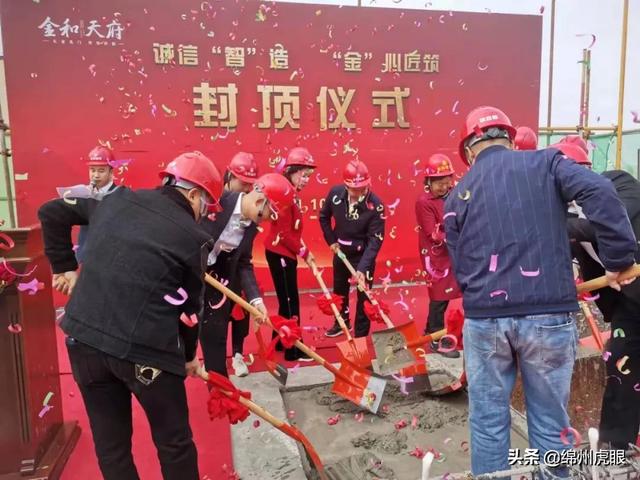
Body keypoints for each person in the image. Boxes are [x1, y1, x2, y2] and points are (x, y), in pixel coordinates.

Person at [444, 106, 637, 476]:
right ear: (511, 140)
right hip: (547, 317)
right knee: (550, 421)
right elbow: (599, 190)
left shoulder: (458, 196)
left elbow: (460, 268)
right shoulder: (548, 163)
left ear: (469, 149)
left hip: (485, 322)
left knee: (487, 422)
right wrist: (618, 259)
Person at [37, 151, 223, 480]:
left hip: (84, 340)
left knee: (112, 448)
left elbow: (50, 212)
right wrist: (189, 356)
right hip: (144, 352)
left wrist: (63, 266)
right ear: (194, 194)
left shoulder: (116, 200)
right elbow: (189, 311)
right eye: (205, 206)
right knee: (174, 443)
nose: (203, 216)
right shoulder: (194, 239)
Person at [567, 170, 640, 451]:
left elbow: (612, 221)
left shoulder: (618, 184)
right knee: (620, 364)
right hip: (628, 304)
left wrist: (561, 225)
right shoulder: (562, 210)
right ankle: (616, 447)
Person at [200, 173, 297, 377]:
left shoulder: (251, 224)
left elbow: (243, 262)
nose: (270, 220)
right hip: (189, 279)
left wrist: (256, 300)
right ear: (261, 201)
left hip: (218, 287)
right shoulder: (216, 201)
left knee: (215, 341)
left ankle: (221, 395)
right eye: (271, 214)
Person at [320, 159, 385, 338]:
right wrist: (331, 241)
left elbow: (375, 240)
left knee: (364, 297)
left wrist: (362, 268)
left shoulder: (376, 205)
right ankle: (341, 323)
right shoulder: (335, 194)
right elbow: (324, 217)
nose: (359, 193)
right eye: (355, 189)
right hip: (341, 252)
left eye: (363, 188)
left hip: (363, 255)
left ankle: (361, 335)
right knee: (339, 291)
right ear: (346, 186)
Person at [264, 147, 317, 361]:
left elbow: (292, 231)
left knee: (285, 300)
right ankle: (293, 348)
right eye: (302, 175)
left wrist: (305, 251)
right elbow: (285, 234)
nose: (305, 180)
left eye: (308, 176)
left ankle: (278, 341)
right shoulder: (285, 194)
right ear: (291, 172)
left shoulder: (289, 192)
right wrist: (305, 252)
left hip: (283, 252)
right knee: (290, 301)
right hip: (280, 253)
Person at [415, 154, 461, 358]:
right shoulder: (424, 202)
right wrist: (461, 238)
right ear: (429, 182)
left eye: (447, 182)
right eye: (439, 183)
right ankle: (435, 340)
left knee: (457, 293)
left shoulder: (455, 194)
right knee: (439, 296)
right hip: (436, 256)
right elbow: (432, 233)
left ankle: (431, 331)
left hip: (455, 251)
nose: (444, 187)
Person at [222, 152, 259, 376]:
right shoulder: (214, 204)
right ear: (229, 177)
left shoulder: (250, 209)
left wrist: (255, 297)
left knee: (239, 313)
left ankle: (237, 355)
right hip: (211, 274)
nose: (246, 189)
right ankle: (213, 356)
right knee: (212, 319)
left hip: (236, 270)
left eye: (250, 185)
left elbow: (245, 256)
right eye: (242, 183)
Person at [76, 145, 120, 263]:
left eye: (101, 171)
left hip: (111, 257)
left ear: (111, 171)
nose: (96, 175)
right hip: (87, 257)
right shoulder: (83, 194)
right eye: (92, 170)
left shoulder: (121, 195)